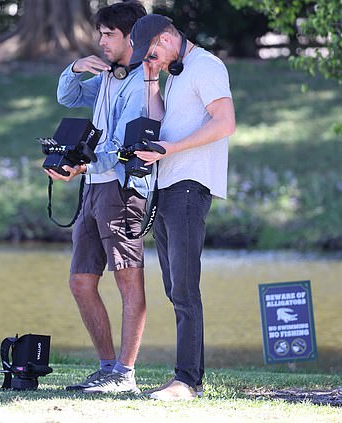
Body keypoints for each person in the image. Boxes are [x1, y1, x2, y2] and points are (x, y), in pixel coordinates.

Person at [128, 14, 236, 401]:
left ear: (168, 37)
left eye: (153, 51)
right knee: (175, 288)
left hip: (190, 186)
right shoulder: (176, 73)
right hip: (168, 186)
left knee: (185, 288)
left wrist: (173, 150)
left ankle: (186, 381)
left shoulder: (206, 66)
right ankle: (191, 378)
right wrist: (151, 78)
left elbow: (225, 123)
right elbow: (158, 123)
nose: (151, 58)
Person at [46, 1, 148, 394]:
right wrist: (74, 68)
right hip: (94, 187)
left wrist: (82, 167)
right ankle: (107, 367)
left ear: (131, 38)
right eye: (100, 34)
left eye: (110, 35)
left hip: (121, 189)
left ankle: (125, 373)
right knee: (80, 281)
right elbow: (68, 98)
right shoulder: (109, 76)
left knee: (128, 281)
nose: (101, 41)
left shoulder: (141, 85)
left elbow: (123, 145)